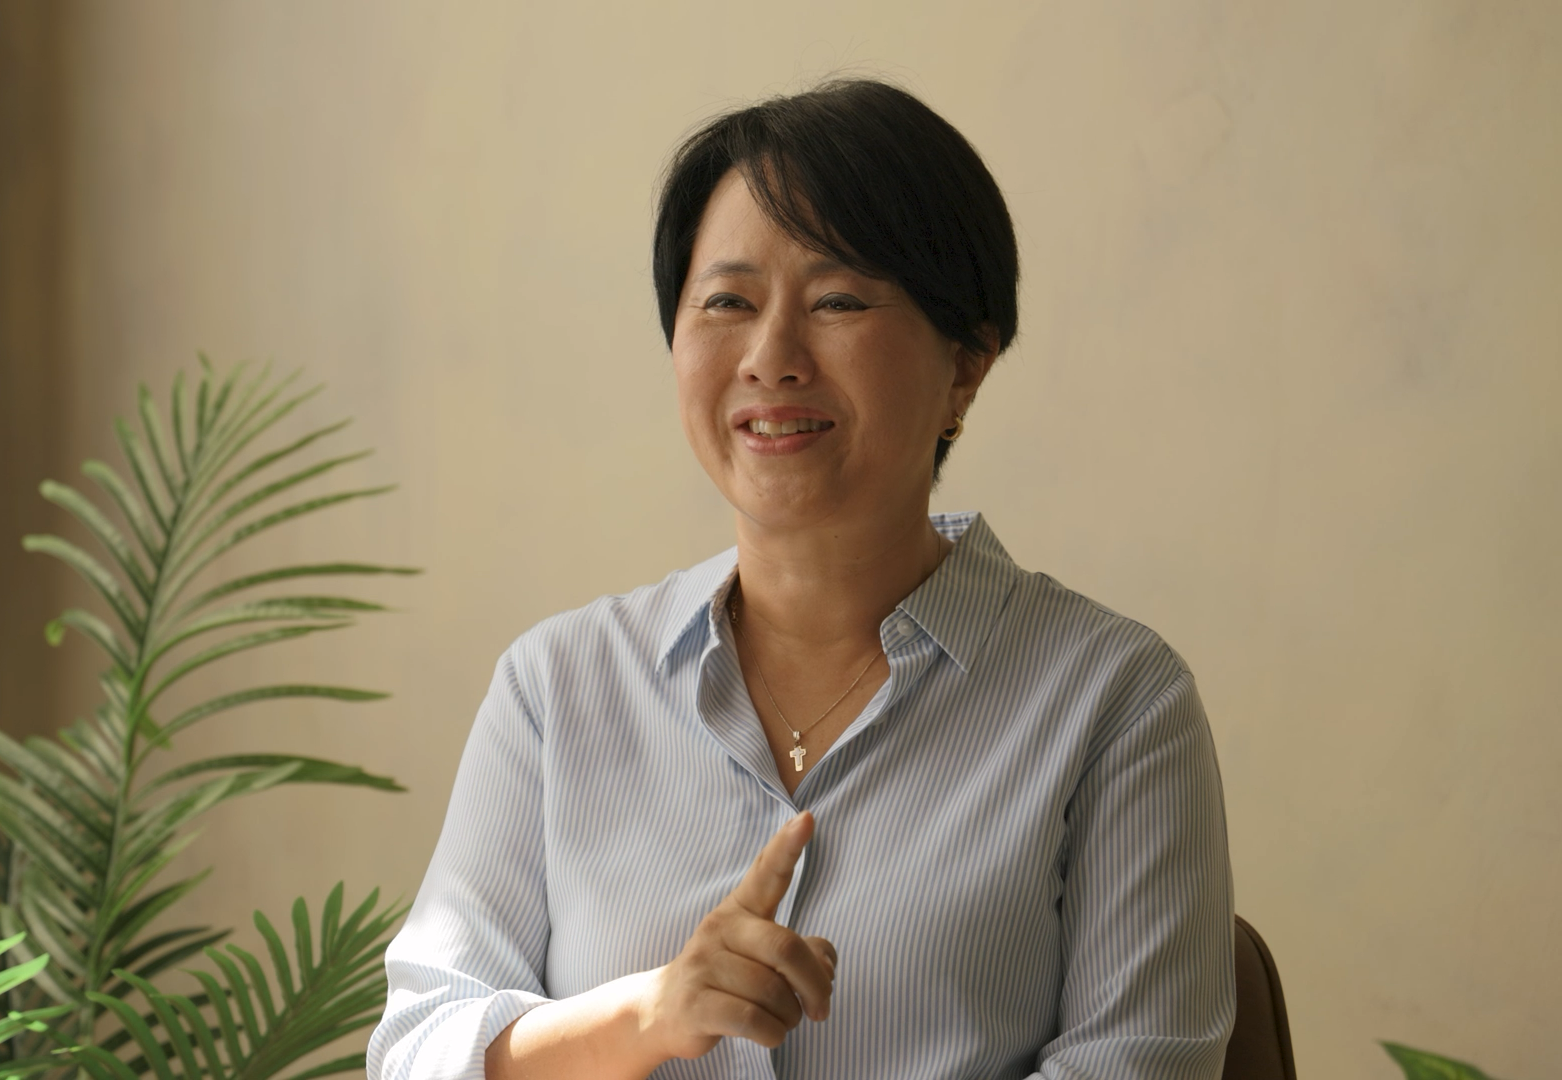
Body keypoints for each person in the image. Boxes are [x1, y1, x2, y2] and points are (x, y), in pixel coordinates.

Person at [367, 78, 1234, 1080]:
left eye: (838, 302)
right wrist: (645, 1017)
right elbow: (418, 1050)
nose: (771, 358)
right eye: (728, 302)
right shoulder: (558, 687)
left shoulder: (1114, 700)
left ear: (967, 365)